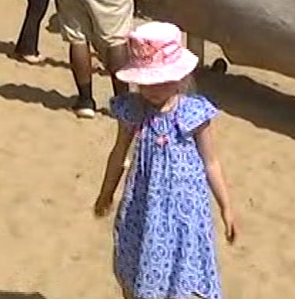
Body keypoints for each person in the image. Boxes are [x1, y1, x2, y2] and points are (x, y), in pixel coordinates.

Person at [93, 21, 236, 299]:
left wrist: (226, 207)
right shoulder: (132, 110)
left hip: (185, 211)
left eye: (162, 81)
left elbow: (211, 162)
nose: (154, 89)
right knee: (136, 265)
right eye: (147, 82)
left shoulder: (194, 113)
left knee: (183, 272)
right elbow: (118, 155)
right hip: (143, 204)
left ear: (180, 76)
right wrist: (106, 193)